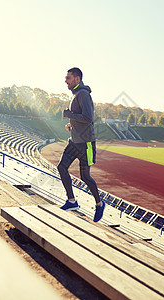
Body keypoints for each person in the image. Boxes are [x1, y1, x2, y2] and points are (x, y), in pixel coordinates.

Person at [57, 67, 105, 222]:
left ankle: (99, 204)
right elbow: (81, 119)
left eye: (68, 78)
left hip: (85, 144)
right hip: (75, 142)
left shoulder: (83, 94)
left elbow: (88, 118)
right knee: (61, 167)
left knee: (85, 176)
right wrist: (72, 125)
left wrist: (69, 114)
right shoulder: (77, 94)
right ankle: (72, 201)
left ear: (77, 79)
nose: (66, 80)